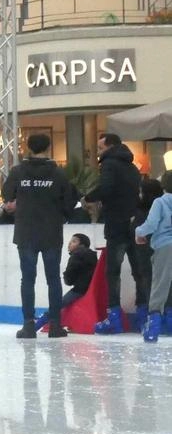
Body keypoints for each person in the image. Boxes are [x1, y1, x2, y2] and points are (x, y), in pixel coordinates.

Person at [2, 133, 79, 339]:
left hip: (26, 231)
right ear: (48, 147)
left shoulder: (18, 172)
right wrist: (61, 215)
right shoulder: (58, 173)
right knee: (53, 279)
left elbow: (7, 194)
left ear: (28, 147)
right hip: (51, 232)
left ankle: (28, 324)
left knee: (27, 279)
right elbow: (70, 201)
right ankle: (55, 325)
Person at [86, 133, 142, 335]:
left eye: (100, 148)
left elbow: (106, 187)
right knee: (139, 270)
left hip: (116, 224)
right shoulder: (132, 166)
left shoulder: (109, 164)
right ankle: (144, 314)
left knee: (113, 272)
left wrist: (89, 196)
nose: (99, 152)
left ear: (110, 147)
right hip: (133, 223)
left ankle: (114, 317)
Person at [135, 172, 172, 342]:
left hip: (165, 245)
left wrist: (139, 232)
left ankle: (154, 326)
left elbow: (151, 224)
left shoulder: (160, 202)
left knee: (160, 285)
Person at [130, 178, 164, 329]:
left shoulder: (141, 211)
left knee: (148, 283)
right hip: (162, 251)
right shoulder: (164, 207)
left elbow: (139, 230)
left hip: (145, 253)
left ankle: (151, 317)